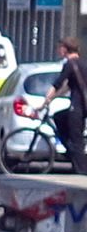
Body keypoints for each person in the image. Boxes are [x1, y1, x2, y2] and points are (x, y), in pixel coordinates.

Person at [39, 37, 87, 176]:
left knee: (76, 139)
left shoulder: (70, 64)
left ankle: (82, 171)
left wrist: (44, 102)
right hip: (82, 105)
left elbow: (57, 84)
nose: (58, 50)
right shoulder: (83, 63)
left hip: (77, 106)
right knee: (59, 117)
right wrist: (53, 98)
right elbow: (67, 87)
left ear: (65, 49)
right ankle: (71, 151)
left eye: (60, 47)